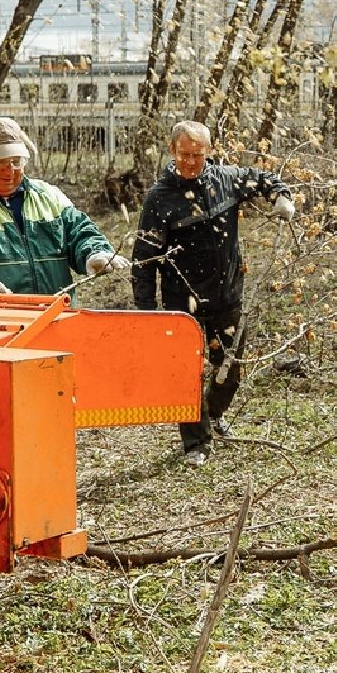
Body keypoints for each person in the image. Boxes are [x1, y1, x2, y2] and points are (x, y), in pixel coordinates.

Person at [132, 119, 294, 466]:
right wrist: (145, 311)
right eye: (184, 155)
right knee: (186, 375)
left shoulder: (227, 179)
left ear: (209, 151)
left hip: (227, 296)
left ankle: (215, 410)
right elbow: (144, 260)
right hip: (181, 301)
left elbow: (265, 180)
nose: (191, 162)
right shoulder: (159, 199)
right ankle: (196, 443)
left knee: (230, 368)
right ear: (172, 150)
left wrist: (281, 197)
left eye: (198, 155)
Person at [0, 116, 128, 295]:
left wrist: (95, 253)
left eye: (16, 162)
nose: (9, 171)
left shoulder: (48, 196)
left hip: (55, 317)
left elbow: (80, 232)